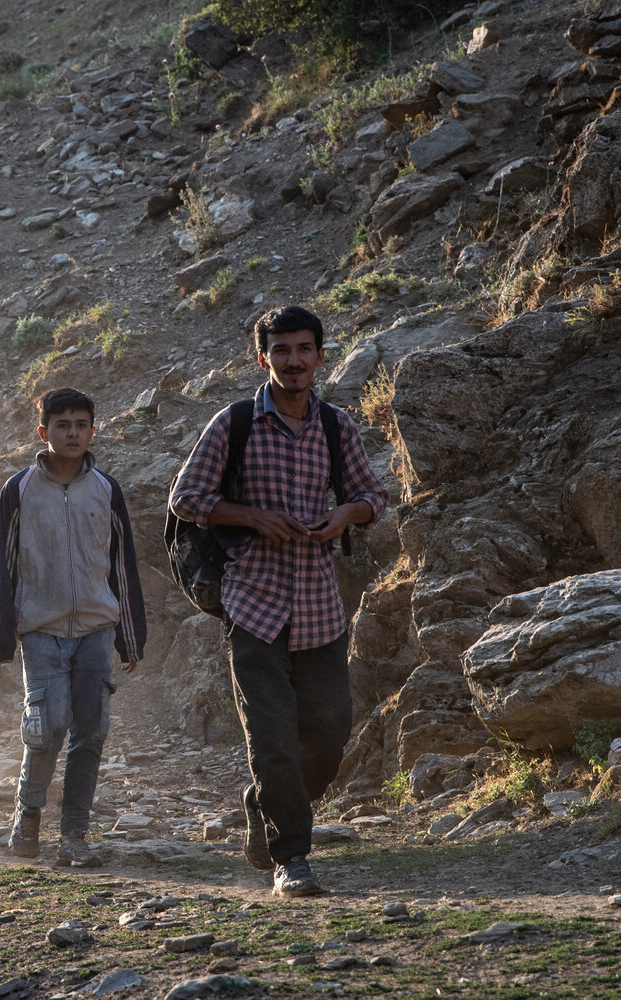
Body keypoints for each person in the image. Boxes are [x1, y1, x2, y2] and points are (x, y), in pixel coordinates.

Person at [169, 305, 387, 897]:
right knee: (272, 738)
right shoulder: (233, 423)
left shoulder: (337, 427)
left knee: (329, 736)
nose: (293, 361)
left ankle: (263, 800)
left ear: (320, 355)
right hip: (253, 603)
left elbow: (373, 495)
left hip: (319, 606)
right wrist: (255, 518)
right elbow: (186, 497)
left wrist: (346, 513)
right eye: (281, 350)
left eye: (304, 349)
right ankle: (292, 858)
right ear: (261, 357)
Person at [0, 387, 146, 868]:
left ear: (93, 430)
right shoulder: (19, 489)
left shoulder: (106, 489)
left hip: (97, 626)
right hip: (42, 627)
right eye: (63, 424)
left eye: (82, 424)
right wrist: (1, 632)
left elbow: (121, 564)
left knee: (92, 729)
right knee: (47, 725)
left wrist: (131, 635)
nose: (73, 432)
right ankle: (28, 813)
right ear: (44, 432)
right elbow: (5, 563)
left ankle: (75, 833)